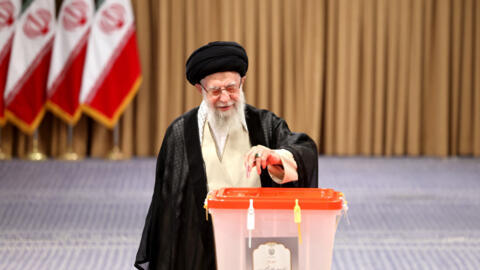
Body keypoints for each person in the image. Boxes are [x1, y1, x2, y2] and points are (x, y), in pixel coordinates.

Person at [135, 41, 318, 270]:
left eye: (231, 88)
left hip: (257, 238)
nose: (225, 98)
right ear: (200, 89)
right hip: (200, 245)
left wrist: (276, 157)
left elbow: (303, 149)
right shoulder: (180, 132)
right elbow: (168, 206)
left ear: (242, 82)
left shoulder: (264, 124)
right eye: (215, 91)